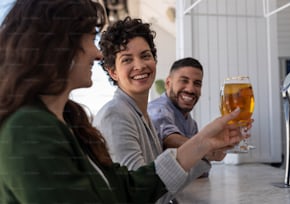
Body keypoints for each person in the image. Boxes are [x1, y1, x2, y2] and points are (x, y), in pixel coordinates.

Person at [0, 1, 245, 203]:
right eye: (89, 39)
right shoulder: (28, 129)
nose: (96, 54)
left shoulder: (70, 121)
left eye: (145, 55)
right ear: (58, 47)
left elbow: (128, 187)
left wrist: (203, 143)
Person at [93, 17, 244, 203]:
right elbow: (139, 194)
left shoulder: (141, 115)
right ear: (112, 72)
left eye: (145, 55)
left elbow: (162, 189)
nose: (139, 65)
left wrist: (207, 153)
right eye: (127, 59)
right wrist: (203, 143)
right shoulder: (115, 115)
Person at [148, 57, 226, 165]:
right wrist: (205, 149)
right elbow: (169, 138)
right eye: (184, 81)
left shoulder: (191, 123)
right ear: (168, 83)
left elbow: (200, 166)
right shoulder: (159, 109)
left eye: (197, 83)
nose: (190, 89)